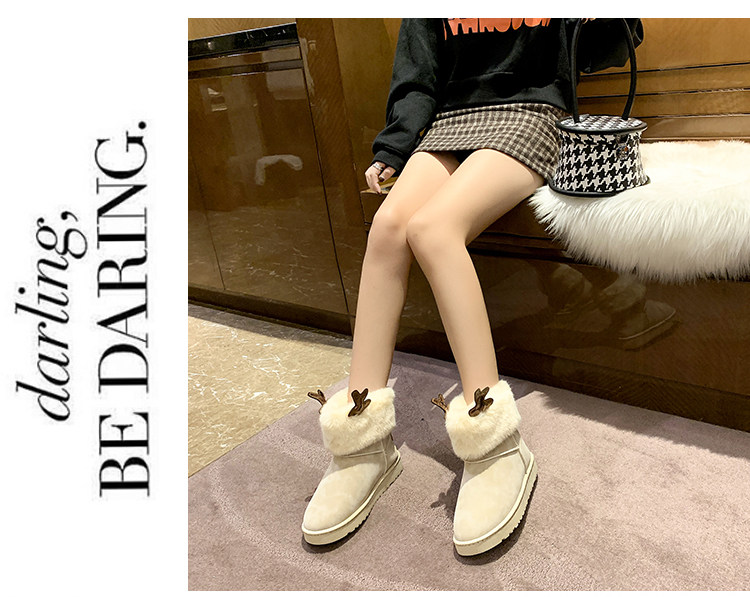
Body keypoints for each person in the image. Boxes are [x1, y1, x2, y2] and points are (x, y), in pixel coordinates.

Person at [301, 17, 644, 556]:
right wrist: (394, 147)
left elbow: (607, 48)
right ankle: (361, 441)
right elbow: (418, 74)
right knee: (388, 229)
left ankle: (495, 443)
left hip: (531, 112)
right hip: (451, 120)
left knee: (432, 230)